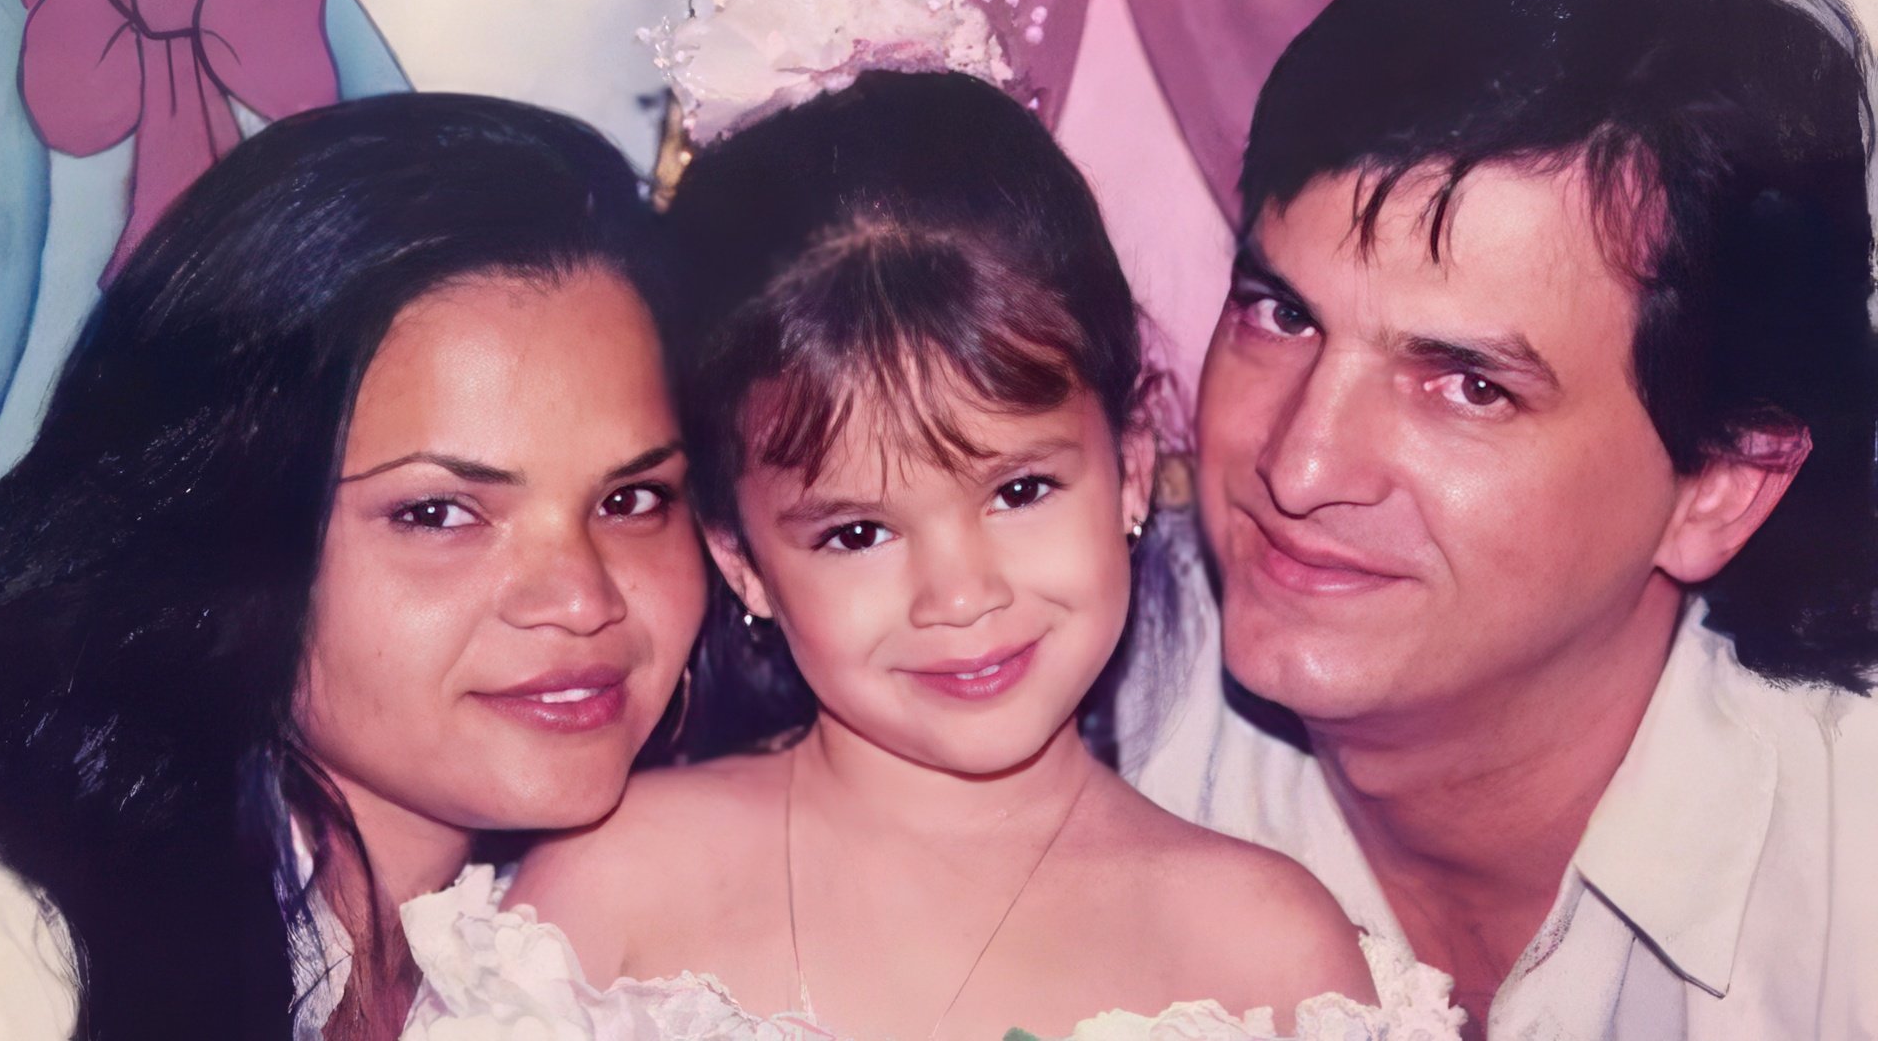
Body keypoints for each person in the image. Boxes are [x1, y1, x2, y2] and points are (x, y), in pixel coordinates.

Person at [403, 70, 1475, 1041]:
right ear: (743, 565)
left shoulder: (1273, 957)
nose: (961, 595)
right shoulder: (610, 892)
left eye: (1019, 491)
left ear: (1134, 470)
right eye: (858, 533)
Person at [1121, 0, 1878, 1037]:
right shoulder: (1055, 709)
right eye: (1280, 315)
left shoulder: (1852, 880)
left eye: (1469, 386)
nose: (1299, 466)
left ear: (1719, 484)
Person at [0, 93, 707, 1040]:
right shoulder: (2, 950)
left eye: (631, 500)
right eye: (438, 513)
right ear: (223, 532)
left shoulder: (651, 950)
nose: (581, 598)